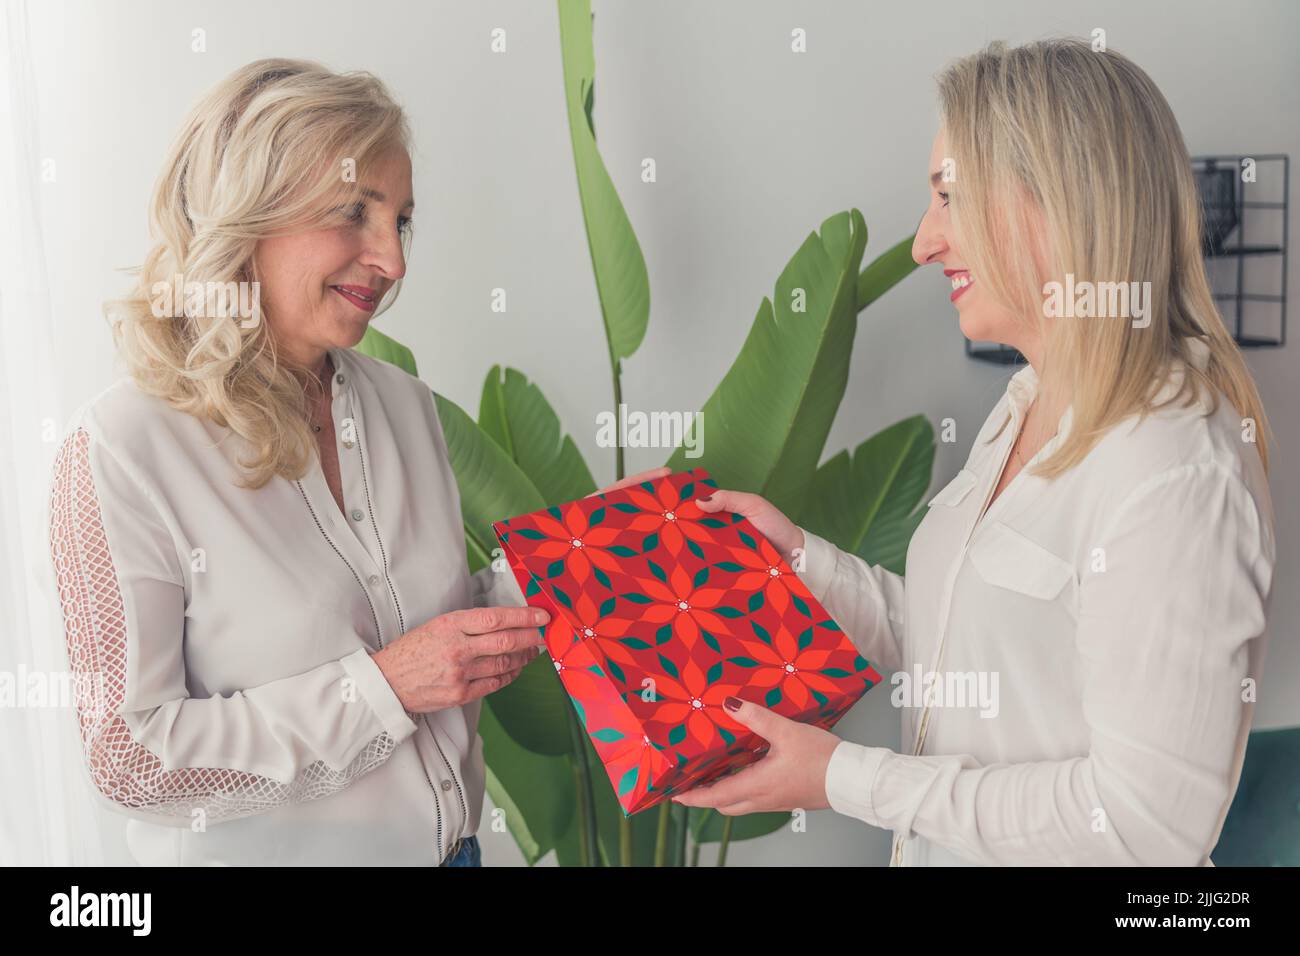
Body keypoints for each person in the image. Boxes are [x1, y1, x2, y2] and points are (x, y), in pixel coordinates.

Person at [672, 39, 1276, 867]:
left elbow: (1146, 824)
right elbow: (977, 643)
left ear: (1058, 205)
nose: (924, 243)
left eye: (950, 198)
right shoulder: (1028, 402)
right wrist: (800, 561)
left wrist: (846, 779)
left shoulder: (1173, 466)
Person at [46, 57, 658, 866]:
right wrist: (386, 689)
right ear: (247, 214)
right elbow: (132, 760)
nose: (393, 261)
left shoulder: (403, 405)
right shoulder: (124, 451)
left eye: (400, 222)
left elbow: (422, 632)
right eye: (353, 213)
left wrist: (577, 551)